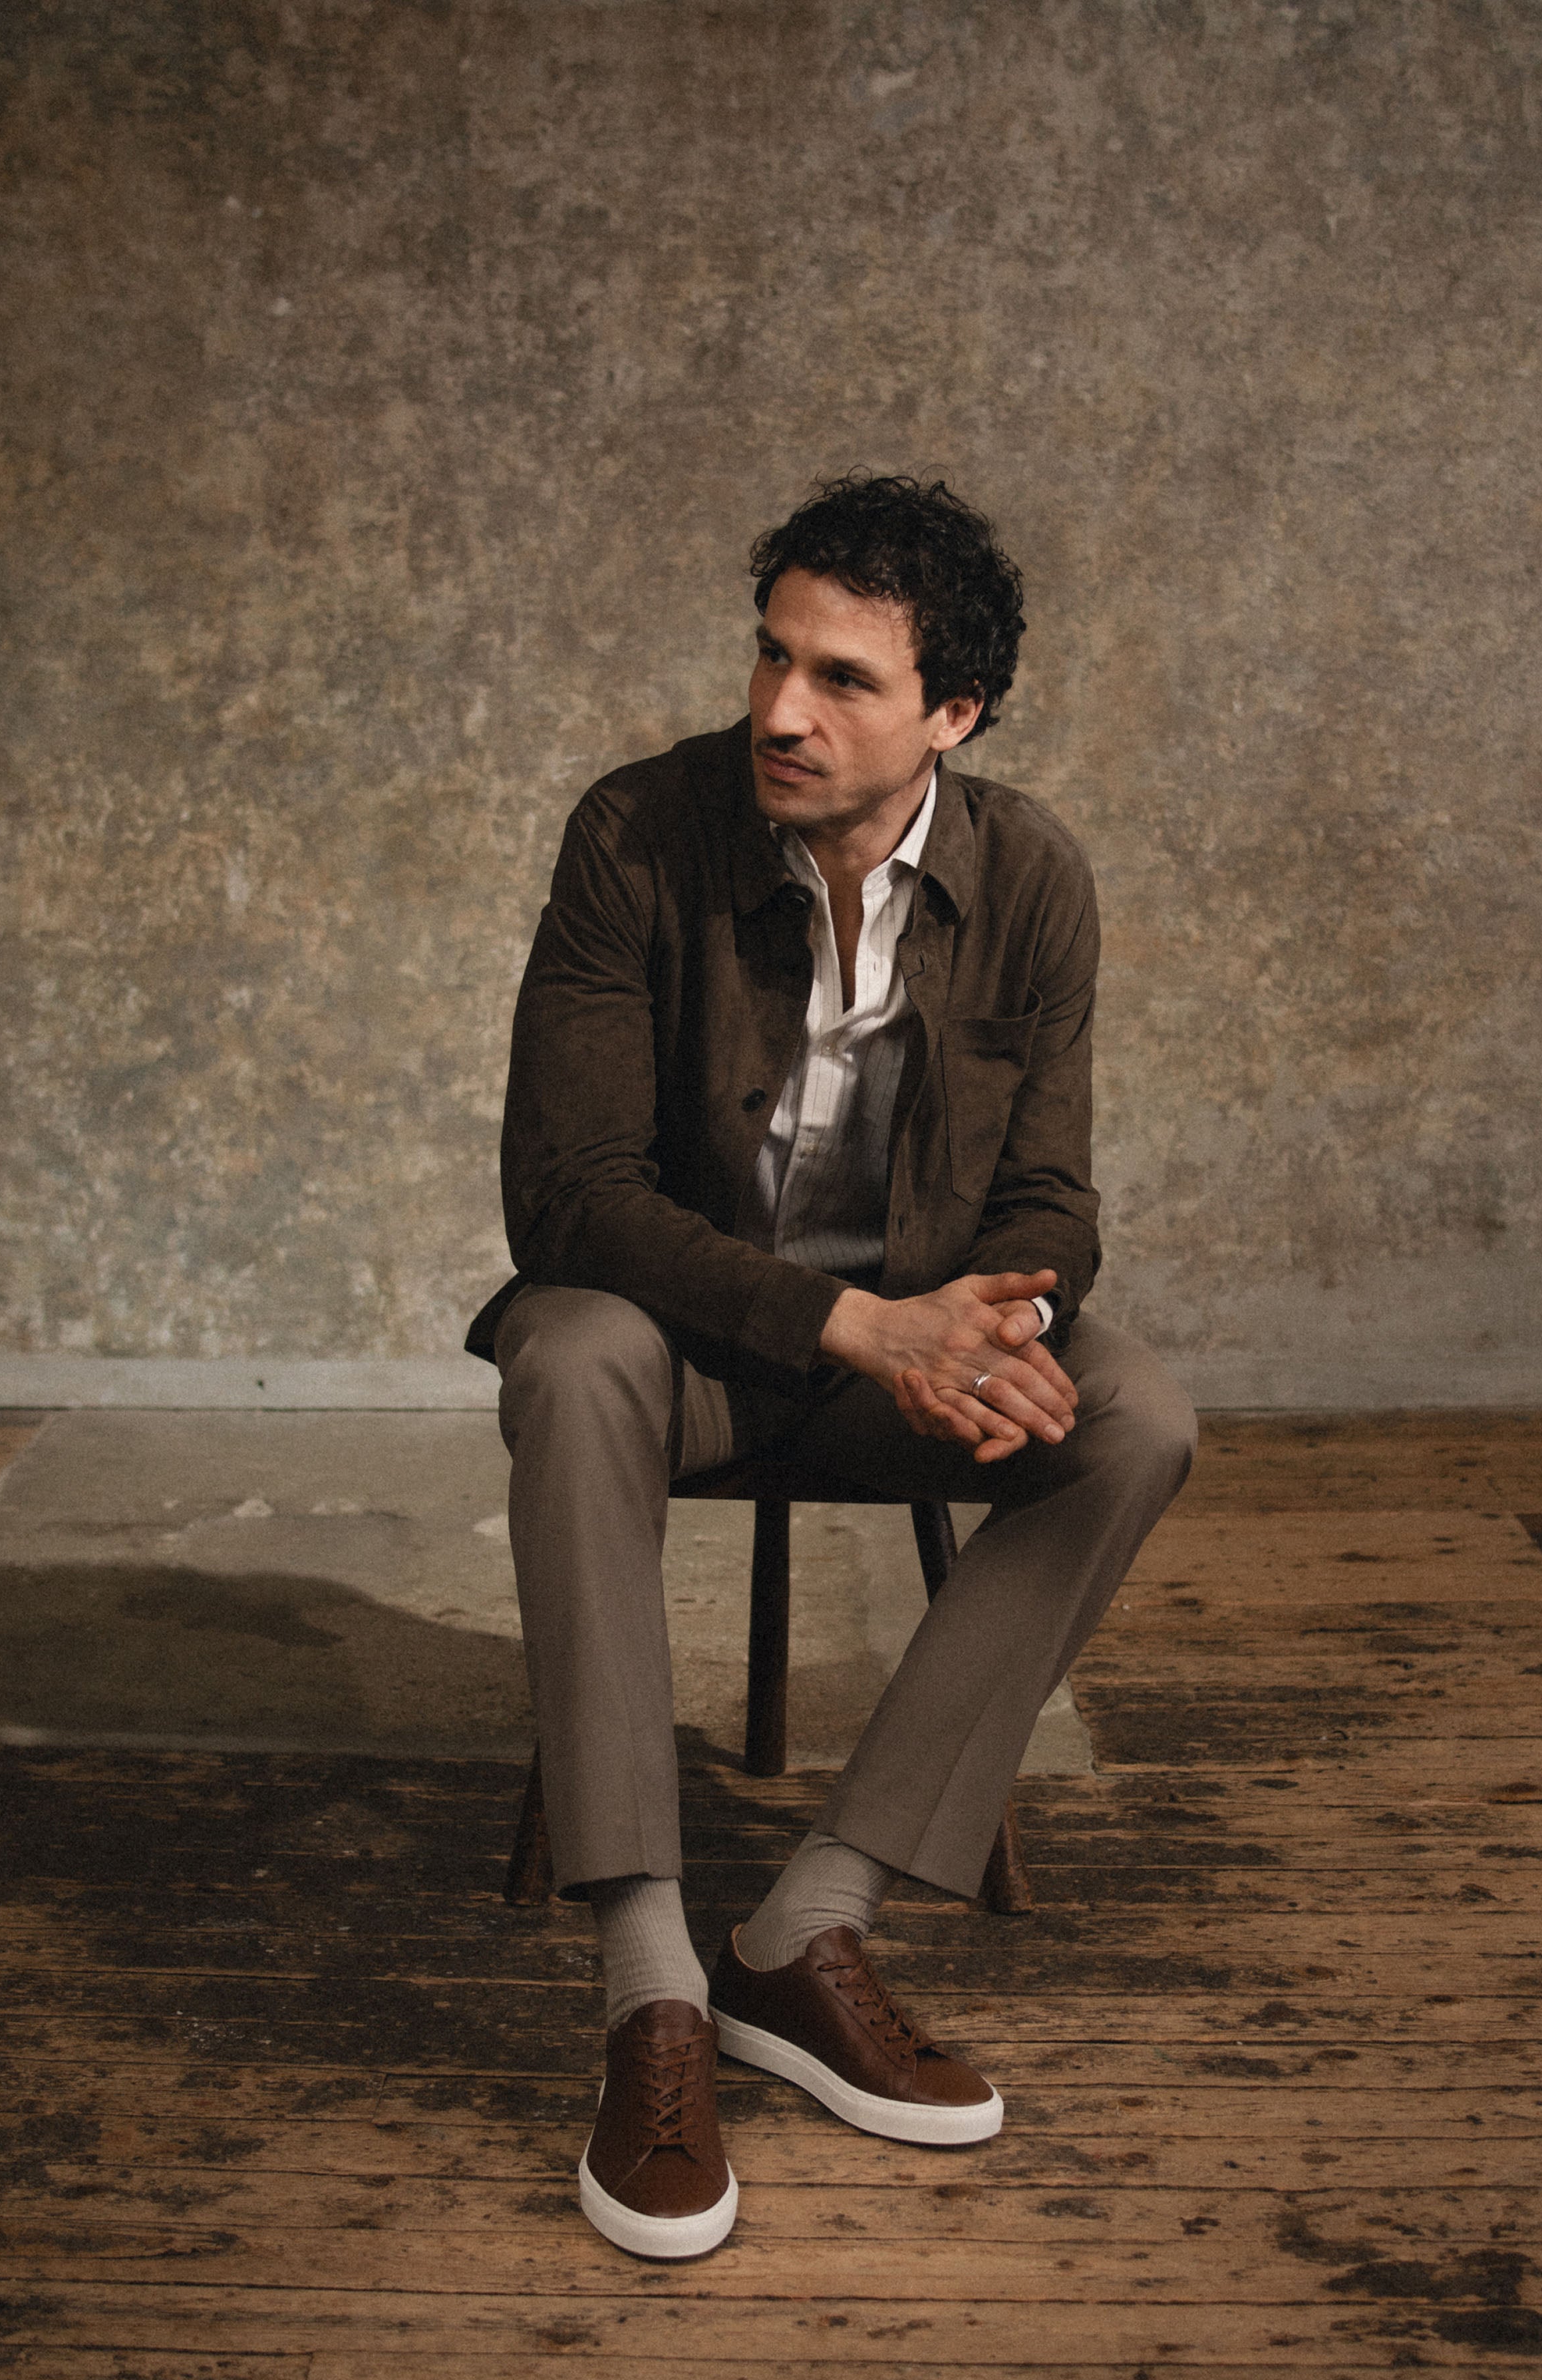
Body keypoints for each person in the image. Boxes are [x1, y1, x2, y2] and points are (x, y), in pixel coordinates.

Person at [466, 472, 1195, 2260]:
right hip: (699, 1348)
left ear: (953, 714)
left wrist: (998, 1327)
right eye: (772, 655)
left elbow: (1051, 1192)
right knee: (565, 1357)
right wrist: (856, 1326)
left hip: (904, 1361)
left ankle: (808, 1928)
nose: (782, 709)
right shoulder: (638, 835)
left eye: (845, 678)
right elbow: (566, 1199)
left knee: (1138, 1418)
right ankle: (648, 1986)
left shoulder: (1030, 879)